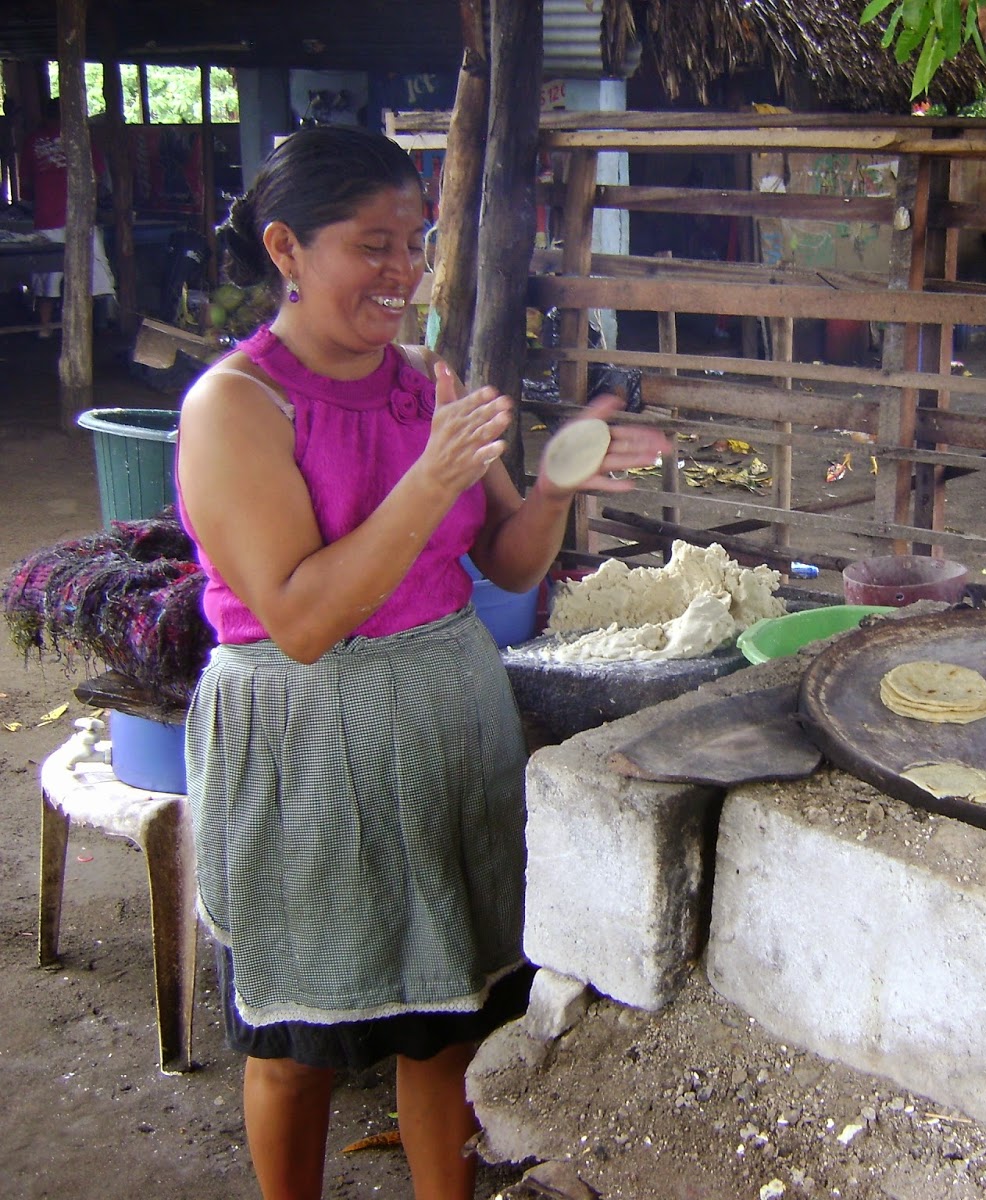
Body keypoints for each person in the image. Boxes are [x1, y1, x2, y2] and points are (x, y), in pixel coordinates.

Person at [176, 125, 669, 1200]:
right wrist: (430, 472)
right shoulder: (233, 408)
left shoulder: (423, 384)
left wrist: (550, 491)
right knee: (297, 1036)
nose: (403, 272)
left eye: (416, 242)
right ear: (287, 250)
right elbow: (302, 621)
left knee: (442, 1019)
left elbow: (501, 560)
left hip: (443, 711)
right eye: (372, 244)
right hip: (308, 734)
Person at [18, 97, 116, 334]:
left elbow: (27, 185)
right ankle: (85, 329)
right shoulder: (82, 139)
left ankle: (45, 328)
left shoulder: (33, 141)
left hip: (47, 218)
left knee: (47, 279)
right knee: (91, 275)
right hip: (81, 219)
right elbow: (99, 176)